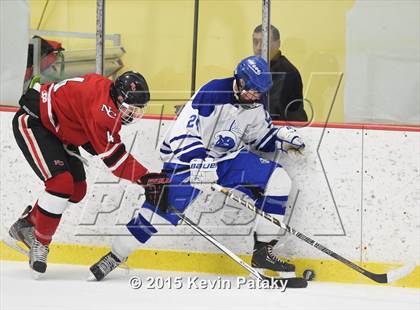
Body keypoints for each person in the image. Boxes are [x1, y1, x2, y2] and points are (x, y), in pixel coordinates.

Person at [89, 56, 305, 281]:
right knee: (157, 212)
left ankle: (263, 253)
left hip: (227, 160)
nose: (256, 96)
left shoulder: (256, 102)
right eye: (252, 90)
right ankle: (115, 256)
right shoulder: (212, 93)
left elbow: (258, 136)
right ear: (239, 81)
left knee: (278, 179)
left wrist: (281, 138)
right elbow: (182, 133)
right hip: (186, 162)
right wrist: (199, 161)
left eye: (260, 92)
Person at [8, 71, 168, 277]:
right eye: (131, 109)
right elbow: (116, 160)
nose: (133, 115)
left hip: (60, 130)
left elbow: (87, 124)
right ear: (118, 97)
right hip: (35, 122)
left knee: (77, 190)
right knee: (60, 185)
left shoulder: (105, 91)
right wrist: (146, 178)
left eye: (138, 110)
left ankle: (26, 225)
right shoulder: (104, 112)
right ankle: (40, 243)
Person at [253, 24, 308, 122]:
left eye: (264, 43)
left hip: (282, 132)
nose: (259, 47)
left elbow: (271, 112)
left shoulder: (287, 73)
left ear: (278, 44)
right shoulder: (253, 69)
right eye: (255, 42)